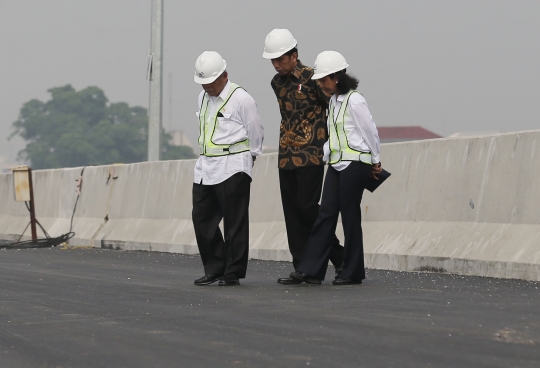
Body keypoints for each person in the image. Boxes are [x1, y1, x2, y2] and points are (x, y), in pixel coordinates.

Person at [291, 51, 382, 285]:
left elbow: (370, 131)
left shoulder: (355, 100)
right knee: (325, 214)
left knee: (350, 216)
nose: (320, 85)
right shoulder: (333, 102)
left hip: (355, 164)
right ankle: (310, 270)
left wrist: (375, 160)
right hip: (336, 164)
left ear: (337, 78)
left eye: (324, 80)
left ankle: (352, 272)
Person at [262, 29, 344, 284]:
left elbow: (333, 106)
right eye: (273, 61)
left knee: (308, 208)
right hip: (286, 155)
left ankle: (340, 258)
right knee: (292, 212)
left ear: (294, 55)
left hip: (311, 154)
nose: (276, 65)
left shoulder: (312, 77)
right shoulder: (276, 83)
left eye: (281, 60)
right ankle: (303, 269)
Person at [191, 51, 264, 286]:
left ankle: (232, 271)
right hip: (206, 166)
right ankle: (215, 267)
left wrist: (250, 157)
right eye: (203, 82)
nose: (207, 87)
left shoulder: (241, 98)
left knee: (235, 222)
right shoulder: (202, 98)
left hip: (233, 165)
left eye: (211, 82)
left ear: (224, 75)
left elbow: (256, 130)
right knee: (202, 219)